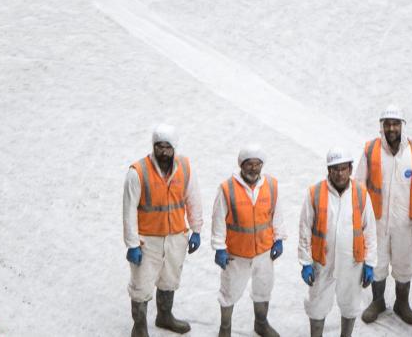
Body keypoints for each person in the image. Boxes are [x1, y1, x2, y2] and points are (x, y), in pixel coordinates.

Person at [124, 124, 204, 336]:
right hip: (146, 240)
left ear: (174, 147)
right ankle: (139, 328)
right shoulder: (138, 172)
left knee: (170, 278)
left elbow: (193, 198)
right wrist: (132, 244)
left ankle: (164, 316)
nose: (163, 152)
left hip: (176, 236)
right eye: (159, 146)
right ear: (153, 146)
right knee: (141, 285)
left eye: (167, 147)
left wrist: (196, 229)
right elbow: (129, 211)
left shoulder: (185, 167)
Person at [296, 148, 376, 337]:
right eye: (335, 169)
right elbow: (305, 229)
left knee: (350, 305)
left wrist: (370, 263)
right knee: (317, 306)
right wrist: (306, 262)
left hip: (352, 263)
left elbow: (370, 231)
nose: (339, 174)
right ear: (328, 169)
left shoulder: (361, 193)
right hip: (322, 264)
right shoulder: (315, 193)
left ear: (350, 168)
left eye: (343, 168)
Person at [212, 144, 285, 337]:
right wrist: (219, 247)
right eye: (249, 164)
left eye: (257, 164)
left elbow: (277, 215)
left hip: (264, 251)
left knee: (263, 288)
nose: (253, 168)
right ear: (241, 165)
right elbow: (218, 219)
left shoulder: (271, 185)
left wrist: (278, 239)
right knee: (229, 293)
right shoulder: (227, 188)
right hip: (236, 254)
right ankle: (225, 329)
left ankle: (261, 323)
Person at [360, 107, 412, 325]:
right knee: (377, 263)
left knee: (404, 265)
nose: (391, 128)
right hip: (377, 222)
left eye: (395, 123)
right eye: (387, 123)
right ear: (381, 125)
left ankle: (402, 303)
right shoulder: (371, 150)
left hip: (406, 223)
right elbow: (359, 186)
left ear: (403, 125)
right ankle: (377, 301)